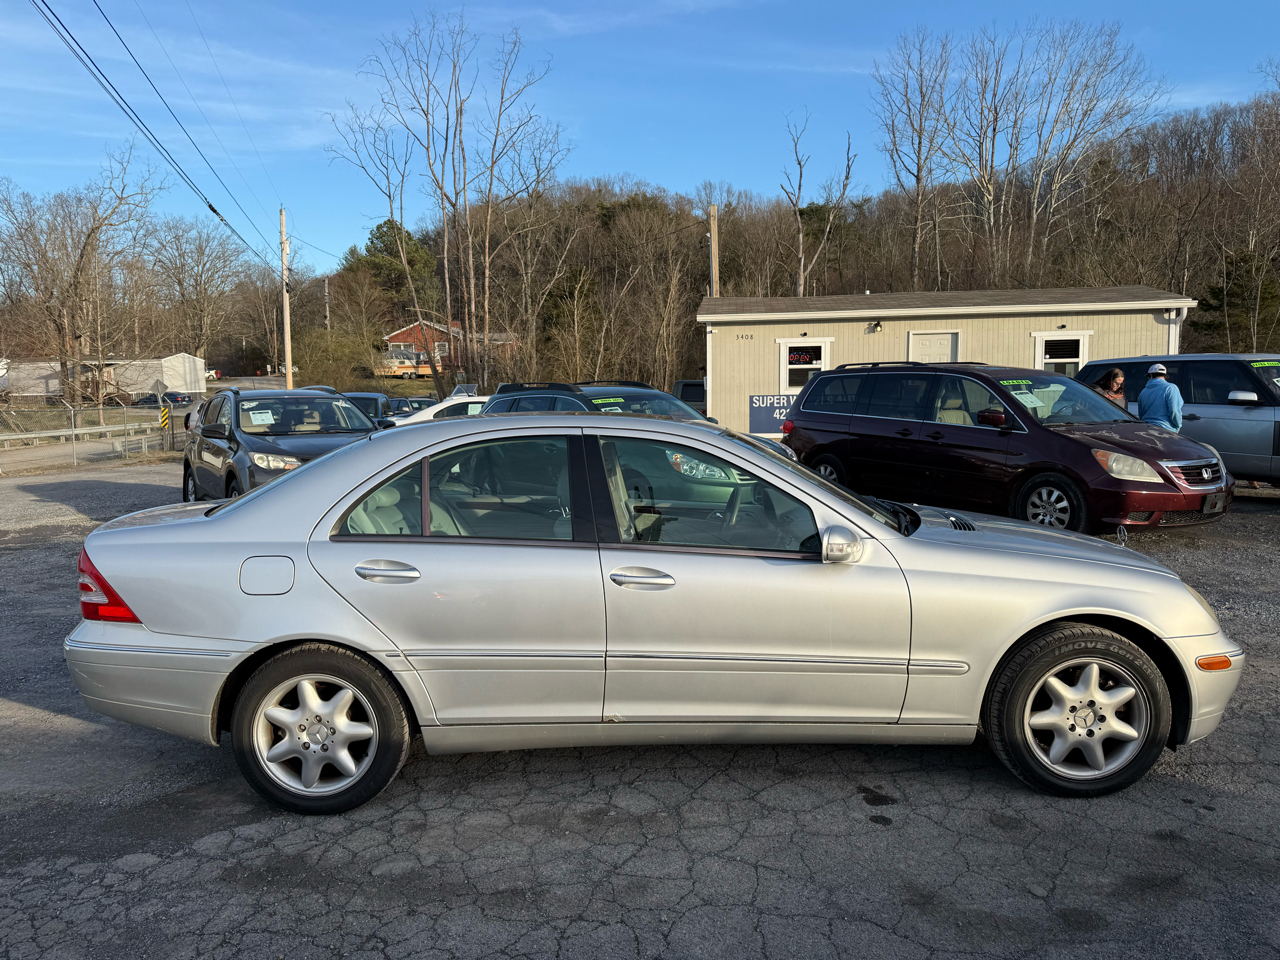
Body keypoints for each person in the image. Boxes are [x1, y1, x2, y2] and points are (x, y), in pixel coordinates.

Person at [1137, 363, 1183, 432]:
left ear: (1150, 376)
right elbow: (1174, 411)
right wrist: (1178, 425)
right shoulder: (1170, 388)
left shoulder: (1144, 391)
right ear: (1165, 375)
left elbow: (1141, 414)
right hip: (1165, 429)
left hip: (1147, 429)